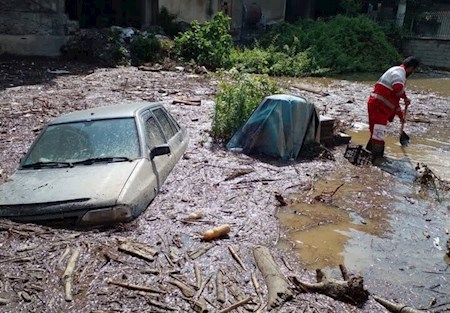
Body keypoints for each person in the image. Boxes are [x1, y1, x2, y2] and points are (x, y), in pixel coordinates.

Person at [366, 56, 420, 161]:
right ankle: (377, 161)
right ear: (411, 68)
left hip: (379, 107)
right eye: (413, 70)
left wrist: (401, 117)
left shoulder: (396, 71)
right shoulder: (399, 74)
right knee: (378, 135)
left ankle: (370, 154)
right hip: (378, 107)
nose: (412, 73)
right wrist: (405, 98)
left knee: (376, 133)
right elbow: (398, 89)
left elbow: (394, 104)